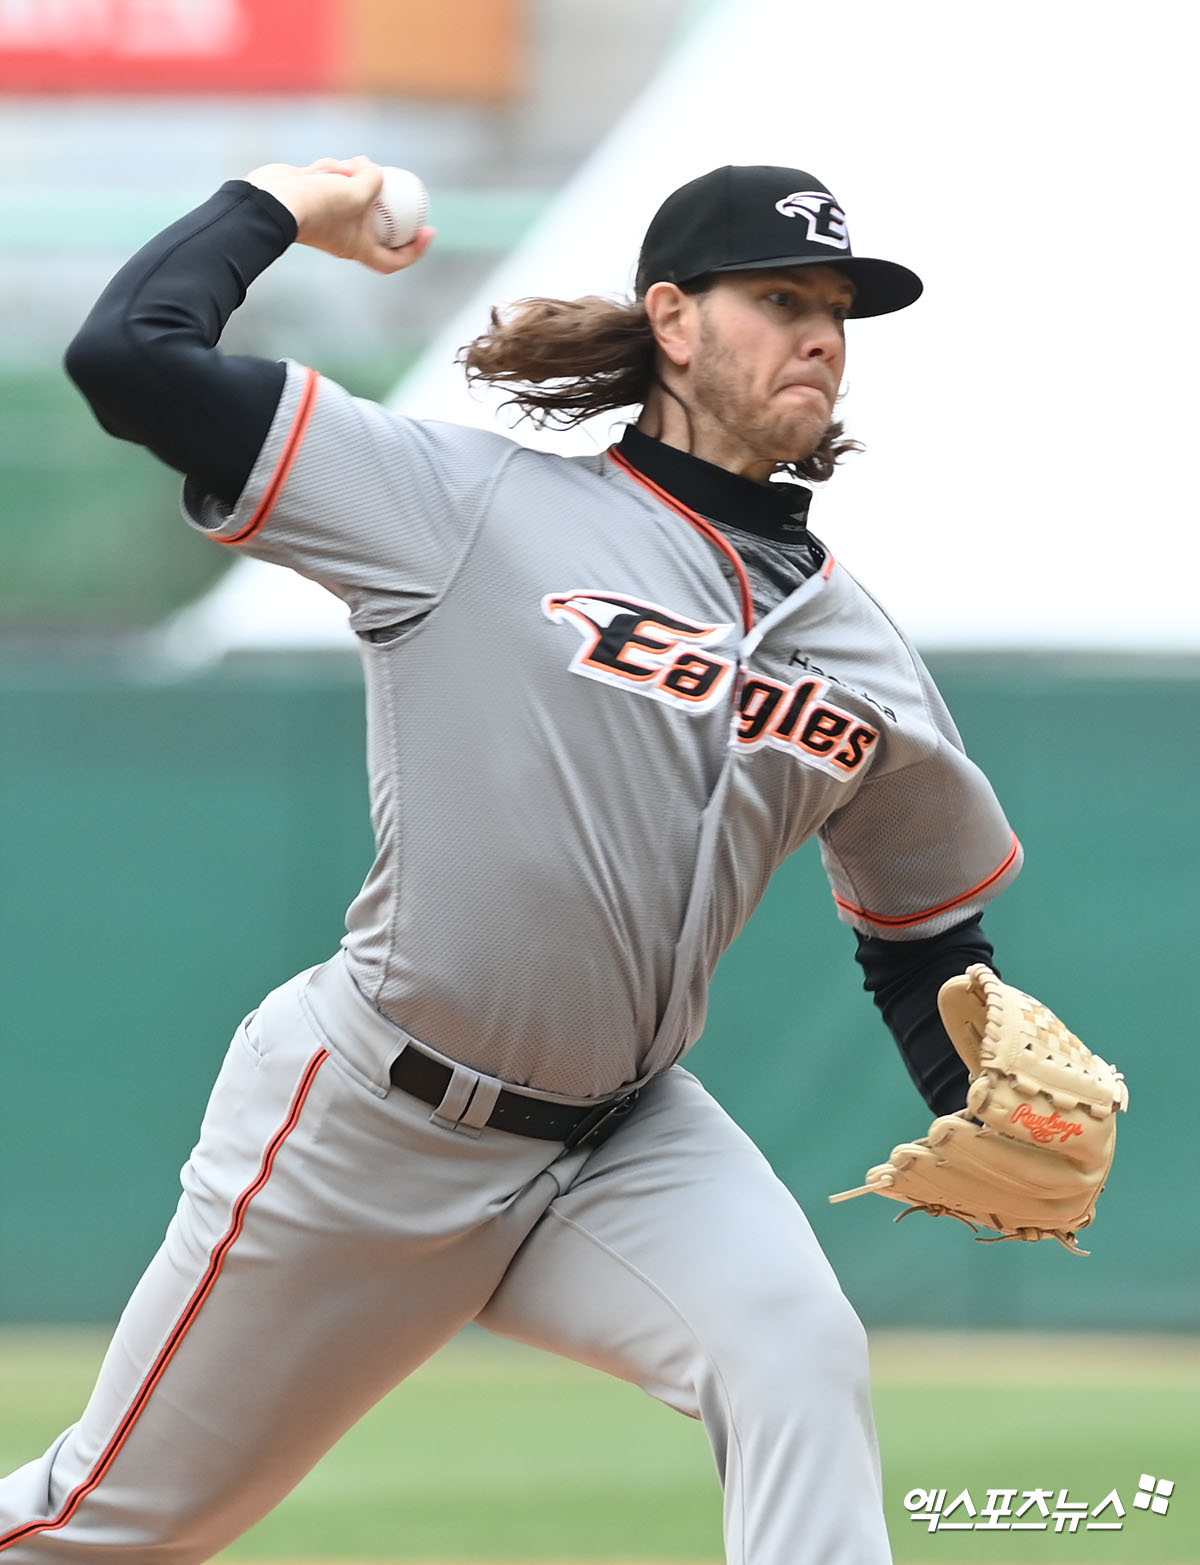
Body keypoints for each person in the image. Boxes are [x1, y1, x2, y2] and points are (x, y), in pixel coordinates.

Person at [1, 159, 1020, 1565]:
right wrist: (282, 200)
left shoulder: (863, 653)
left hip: (626, 1141)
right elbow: (129, 356)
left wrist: (989, 1101)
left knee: (796, 1352)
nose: (822, 336)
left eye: (837, 311)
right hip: (375, 1125)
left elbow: (925, 940)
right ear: (673, 320)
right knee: (105, 1526)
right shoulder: (460, 504)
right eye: (781, 299)